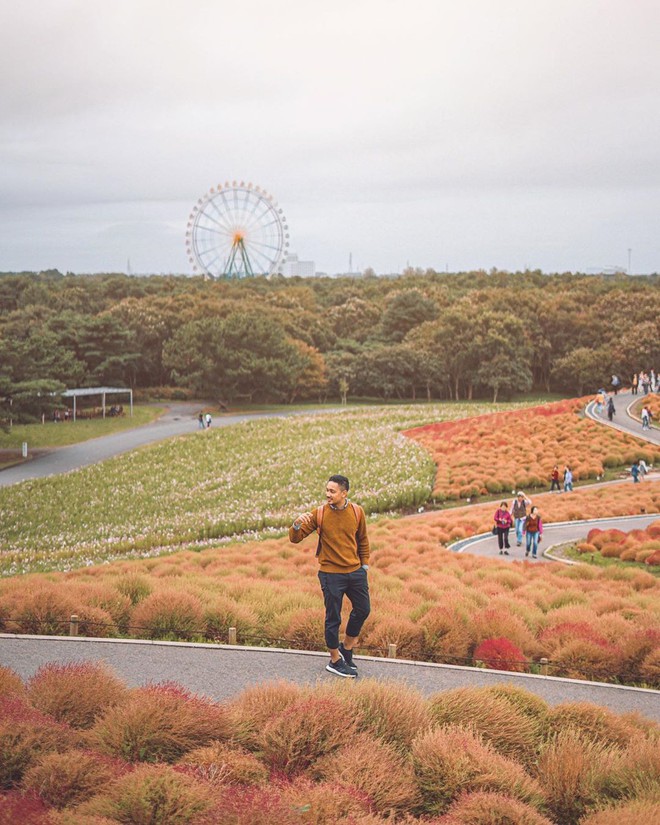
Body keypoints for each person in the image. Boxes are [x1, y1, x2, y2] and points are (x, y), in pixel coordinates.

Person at [289, 474, 370, 679]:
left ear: (344, 493)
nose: (327, 494)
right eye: (327, 490)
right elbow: (295, 539)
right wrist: (297, 524)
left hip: (355, 572)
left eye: (332, 491)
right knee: (333, 617)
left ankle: (347, 649)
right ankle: (334, 660)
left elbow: (363, 539)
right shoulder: (320, 514)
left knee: (363, 609)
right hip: (330, 574)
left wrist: (365, 565)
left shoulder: (357, 512)